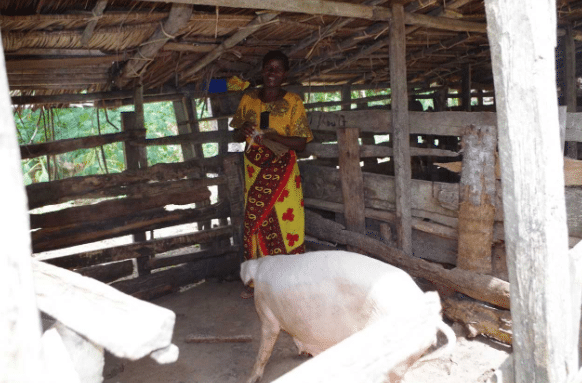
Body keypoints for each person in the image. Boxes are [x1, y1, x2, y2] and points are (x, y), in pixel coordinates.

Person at [231, 50, 313, 297]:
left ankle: (290, 282)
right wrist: (243, 130)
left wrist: (276, 137)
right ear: (262, 69)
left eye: (278, 69)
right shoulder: (248, 100)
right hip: (254, 170)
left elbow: (302, 144)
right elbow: (236, 135)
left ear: (285, 74)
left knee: (289, 222)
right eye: (268, 68)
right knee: (255, 221)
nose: (272, 73)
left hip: (283, 173)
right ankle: (258, 282)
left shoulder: (293, 102)